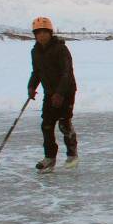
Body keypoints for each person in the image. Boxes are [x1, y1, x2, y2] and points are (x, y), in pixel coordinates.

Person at [26, 16, 78, 172]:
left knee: (64, 124)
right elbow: (37, 72)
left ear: (50, 33)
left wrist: (60, 94)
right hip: (49, 93)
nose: (41, 36)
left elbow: (66, 72)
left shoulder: (60, 49)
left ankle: (72, 155)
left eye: (44, 32)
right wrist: (31, 86)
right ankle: (50, 157)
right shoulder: (35, 51)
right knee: (46, 126)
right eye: (38, 33)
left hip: (66, 91)